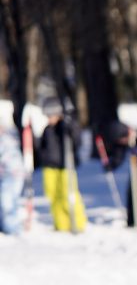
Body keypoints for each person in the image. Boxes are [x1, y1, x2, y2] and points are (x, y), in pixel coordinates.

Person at [38, 97, 87, 233]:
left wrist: (71, 125)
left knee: (68, 194)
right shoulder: (47, 130)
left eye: (51, 115)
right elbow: (42, 148)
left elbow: (77, 141)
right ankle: (61, 224)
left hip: (66, 166)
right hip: (50, 167)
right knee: (52, 195)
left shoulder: (65, 127)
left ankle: (77, 222)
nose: (48, 119)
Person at [0, 100, 25, 235]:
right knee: (6, 201)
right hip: (6, 174)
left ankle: (12, 228)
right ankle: (7, 225)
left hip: (12, 173)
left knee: (8, 202)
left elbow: (6, 154)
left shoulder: (8, 134)